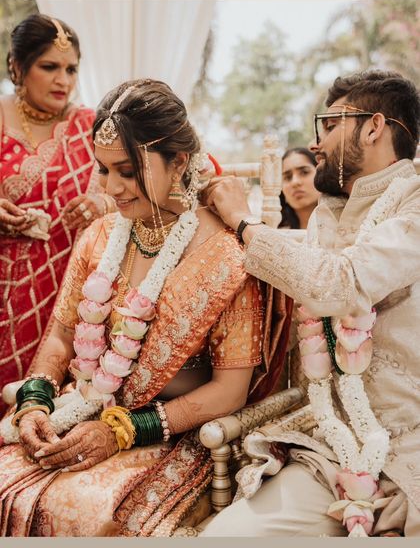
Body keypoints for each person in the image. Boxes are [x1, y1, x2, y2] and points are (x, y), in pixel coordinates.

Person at [0, 79, 289, 537]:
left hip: (171, 433)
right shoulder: (98, 235)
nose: (111, 187)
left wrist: (121, 431)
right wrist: (35, 403)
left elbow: (229, 392)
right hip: (81, 409)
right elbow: (60, 336)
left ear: (177, 162)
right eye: (103, 170)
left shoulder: (227, 257)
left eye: (128, 171)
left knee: (83, 511)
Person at [201, 70, 420, 537]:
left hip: (409, 448)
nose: (316, 142)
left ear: (374, 126)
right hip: (329, 448)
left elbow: (343, 282)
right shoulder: (330, 213)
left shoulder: (415, 203)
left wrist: (242, 221)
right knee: (225, 538)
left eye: (328, 124)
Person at [0, 14, 114, 417]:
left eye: (71, 69)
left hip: (78, 289)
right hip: (9, 294)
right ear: (17, 67)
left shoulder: (90, 125)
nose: (63, 80)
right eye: (49, 67)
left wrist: (103, 204)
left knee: (60, 402)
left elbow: (138, 185)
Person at [279, 147, 320, 230]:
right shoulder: (276, 234)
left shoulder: (346, 230)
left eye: (304, 172)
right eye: (287, 177)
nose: (295, 182)